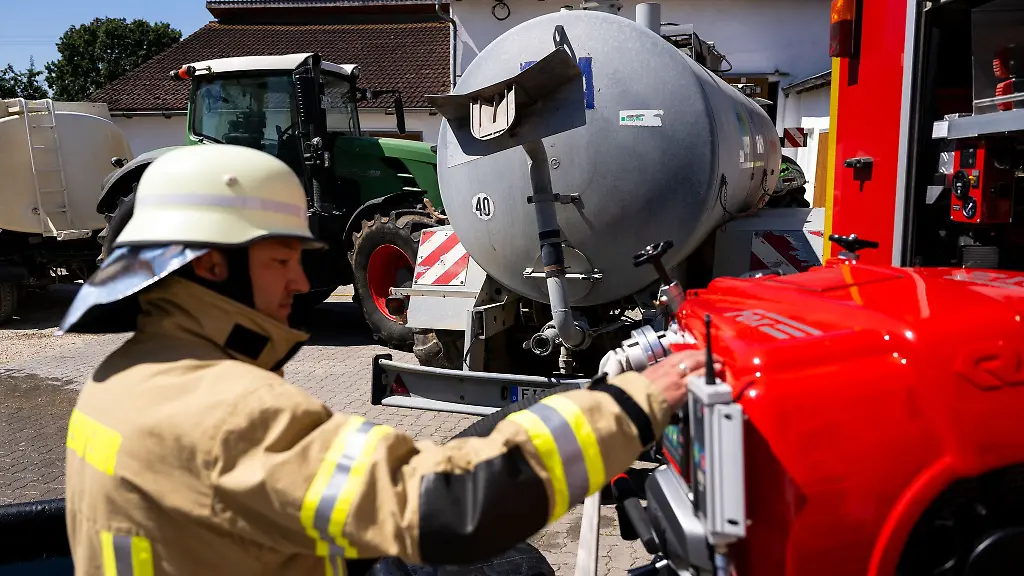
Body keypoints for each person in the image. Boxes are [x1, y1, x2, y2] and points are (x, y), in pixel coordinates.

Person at [59, 144, 716, 576]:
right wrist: (636, 405)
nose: (298, 283)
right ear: (211, 266)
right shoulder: (223, 409)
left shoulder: (119, 379)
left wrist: (557, 408)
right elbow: (449, 507)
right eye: (282, 260)